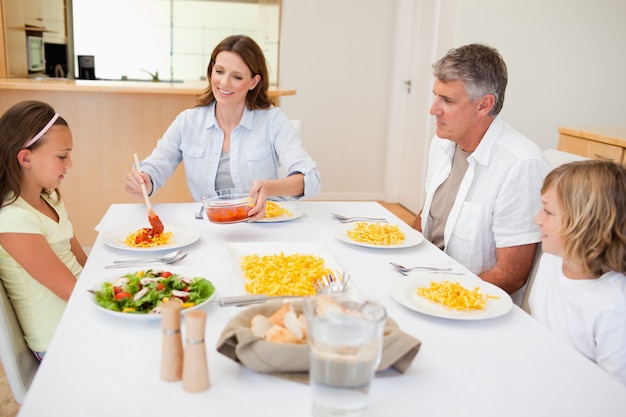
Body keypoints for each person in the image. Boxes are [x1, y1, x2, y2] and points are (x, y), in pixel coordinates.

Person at [125, 35, 321, 221]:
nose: (224, 82)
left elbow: (310, 179)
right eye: (219, 71)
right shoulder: (188, 122)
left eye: (237, 77)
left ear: (254, 81)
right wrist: (144, 180)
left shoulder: (273, 120)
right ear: (211, 71)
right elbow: (156, 167)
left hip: (263, 225)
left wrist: (269, 188)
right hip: (210, 226)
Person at [412, 44, 551, 304]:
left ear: (484, 105)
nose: (433, 110)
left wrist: (436, 296)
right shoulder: (443, 143)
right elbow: (429, 212)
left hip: (468, 304)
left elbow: (510, 275)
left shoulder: (521, 165)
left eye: (448, 101)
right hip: (423, 278)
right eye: (436, 96)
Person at [0, 100, 87, 360]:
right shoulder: (14, 220)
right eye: (62, 156)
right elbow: (71, 291)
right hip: (59, 340)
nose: (69, 163)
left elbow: (84, 263)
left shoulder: (50, 199)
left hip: (80, 319)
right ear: (26, 158)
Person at [529, 160, 626, 385]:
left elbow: (616, 397)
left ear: (585, 225)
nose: (537, 219)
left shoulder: (614, 306)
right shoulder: (551, 260)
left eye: (548, 212)